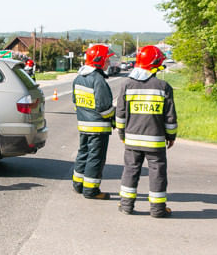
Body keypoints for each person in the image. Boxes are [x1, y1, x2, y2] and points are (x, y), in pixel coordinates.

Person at [114, 45, 177, 217]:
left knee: (130, 171)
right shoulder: (164, 87)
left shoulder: (126, 85)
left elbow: (120, 114)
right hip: (155, 141)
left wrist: (121, 134)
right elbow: (170, 117)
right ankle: (157, 209)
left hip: (132, 140)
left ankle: (126, 206)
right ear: (155, 64)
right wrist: (171, 136)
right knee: (157, 173)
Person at [71, 44, 115, 200]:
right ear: (99, 60)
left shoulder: (78, 78)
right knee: (96, 158)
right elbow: (104, 108)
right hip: (98, 127)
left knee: (83, 153)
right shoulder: (98, 80)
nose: (109, 63)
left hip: (83, 125)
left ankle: (78, 184)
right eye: (107, 60)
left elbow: (75, 102)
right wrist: (114, 117)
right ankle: (91, 190)